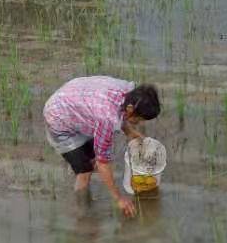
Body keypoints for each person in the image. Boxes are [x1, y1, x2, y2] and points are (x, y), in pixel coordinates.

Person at [42, 77, 161, 218]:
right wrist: (119, 198)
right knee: (85, 171)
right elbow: (103, 162)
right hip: (58, 117)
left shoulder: (128, 91)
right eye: (139, 119)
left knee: (92, 159)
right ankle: (82, 213)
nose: (139, 123)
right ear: (130, 109)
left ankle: (81, 166)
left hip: (75, 101)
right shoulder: (107, 119)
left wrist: (130, 132)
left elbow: (120, 113)